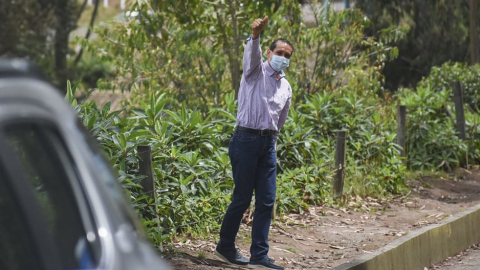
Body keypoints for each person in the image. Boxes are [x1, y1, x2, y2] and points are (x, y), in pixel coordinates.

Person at [215, 15, 293, 270]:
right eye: (279, 52)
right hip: (245, 140)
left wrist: (270, 143)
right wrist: (256, 36)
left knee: (267, 200)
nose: (283, 57)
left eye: (287, 55)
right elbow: (251, 56)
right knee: (242, 198)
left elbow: (280, 121)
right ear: (269, 53)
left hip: (267, 144)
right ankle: (225, 247)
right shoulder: (254, 72)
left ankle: (259, 255)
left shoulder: (286, 87)